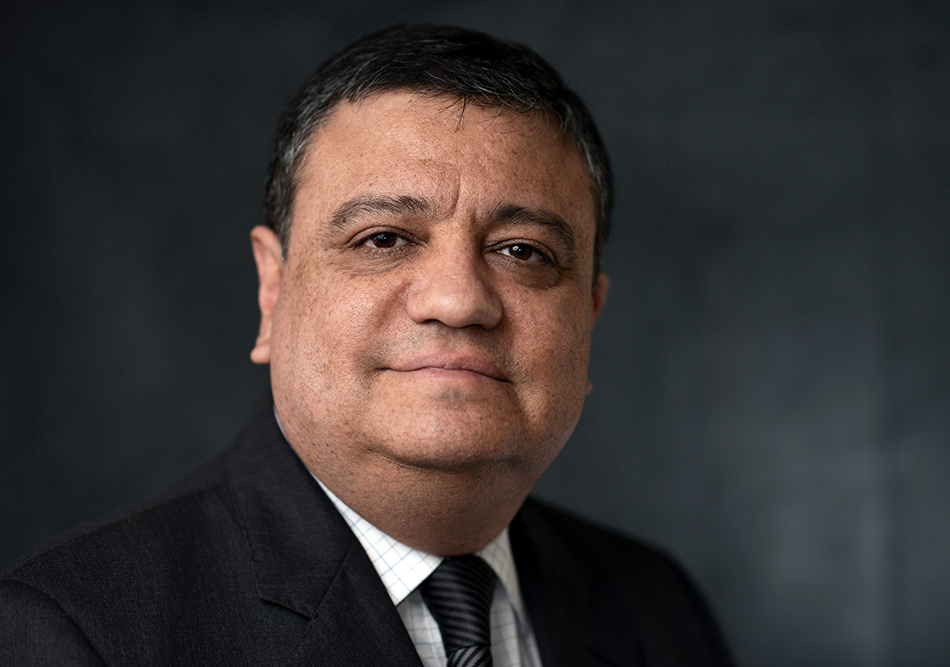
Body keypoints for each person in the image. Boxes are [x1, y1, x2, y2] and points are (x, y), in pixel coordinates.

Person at [1, 25, 735, 666]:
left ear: (589, 317)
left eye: (523, 251)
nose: (458, 300)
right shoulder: (75, 633)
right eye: (382, 239)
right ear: (272, 291)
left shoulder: (658, 608)